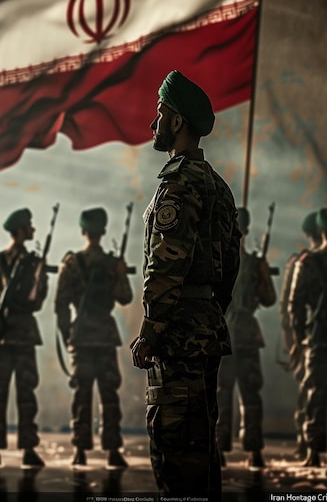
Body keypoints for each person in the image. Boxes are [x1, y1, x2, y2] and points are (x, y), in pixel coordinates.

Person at [131, 70, 241, 498]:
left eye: (160, 112)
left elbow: (165, 267)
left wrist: (151, 331)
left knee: (176, 456)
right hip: (206, 331)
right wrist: (209, 316)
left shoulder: (176, 185)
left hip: (176, 336)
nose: (153, 121)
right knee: (202, 448)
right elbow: (230, 269)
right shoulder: (219, 187)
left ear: (177, 122)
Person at [54, 208, 133, 469]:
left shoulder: (71, 263)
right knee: (109, 396)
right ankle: (112, 451)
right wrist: (120, 272)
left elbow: (61, 304)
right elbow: (125, 297)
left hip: (82, 337)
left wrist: (68, 335)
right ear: (103, 231)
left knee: (82, 396)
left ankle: (80, 450)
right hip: (105, 336)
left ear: (83, 231)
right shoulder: (112, 264)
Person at [0, 208, 47, 469]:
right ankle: (25, 449)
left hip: (6, 338)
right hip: (20, 336)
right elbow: (36, 301)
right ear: (20, 230)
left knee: (1, 395)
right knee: (22, 395)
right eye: (29, 225)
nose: (32, 229)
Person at [216, 207, 277, 469]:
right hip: (233, 332)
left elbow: (269, 299)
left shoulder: (239, 263)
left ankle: (246, 450)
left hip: (234, 333)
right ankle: (228, 449)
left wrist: (262, 277)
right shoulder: (228, 262)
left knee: (240, 394)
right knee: (229, 394)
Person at [279, 212, 322, 459]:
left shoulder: (304, 262)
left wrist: (293, 339)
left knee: (309, 391)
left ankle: (309, 446)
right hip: (310, 336)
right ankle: (307, 445)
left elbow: (290, 306)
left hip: (310, 337)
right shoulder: (305, 262)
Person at [288, 207, 327, 467]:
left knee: (316, 393)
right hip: (318, 336)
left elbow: (295, 305)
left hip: (318, 337)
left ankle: (313, 452)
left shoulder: (308, 262)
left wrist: (300, 337)